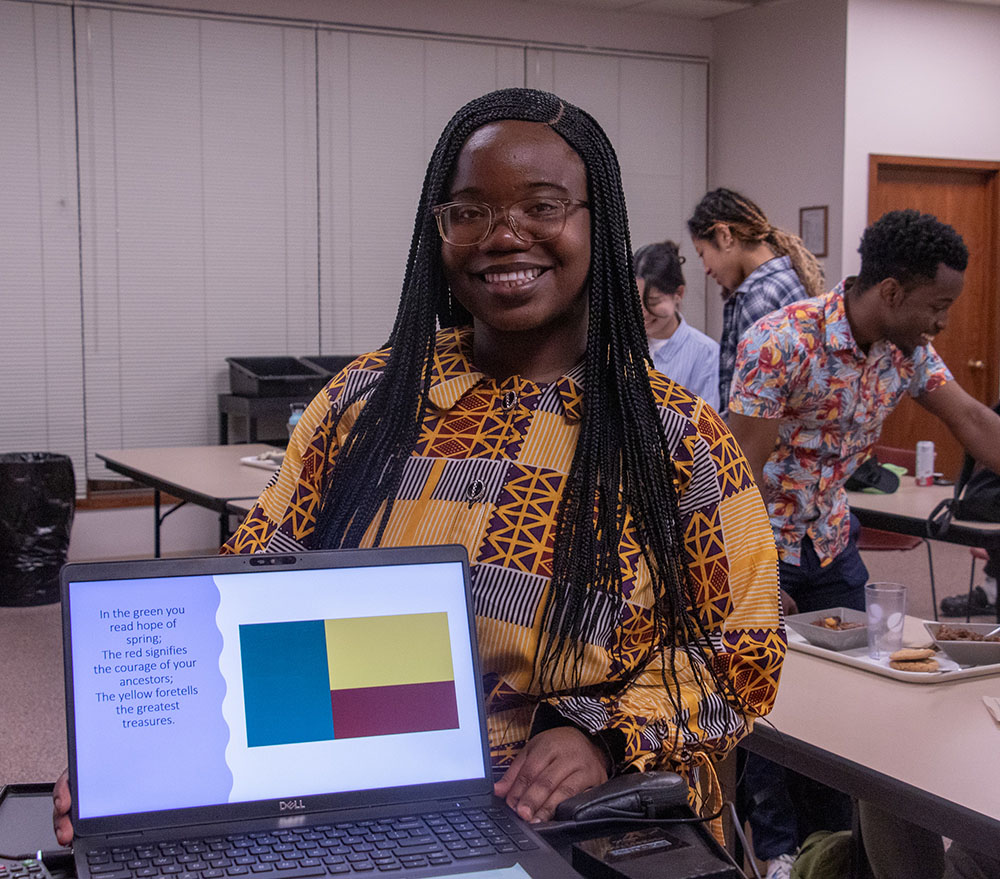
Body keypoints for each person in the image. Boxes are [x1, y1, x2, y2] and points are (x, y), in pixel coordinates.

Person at [52, 88, 782, 845]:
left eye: (543, 206)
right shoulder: (366, 401)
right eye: (469, 212)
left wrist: (596, 734)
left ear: (602, 228)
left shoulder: (673, 437)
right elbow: (255, 586)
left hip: (579, 826)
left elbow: (741, 652)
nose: (503, 236)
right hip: (360, 806)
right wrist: (139, 754)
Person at [727, 209, 1000, 879]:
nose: (941, 323)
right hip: (767, 550)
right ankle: (780, 854)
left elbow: (969, 417)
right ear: (891, 292)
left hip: (831, 543)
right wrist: (756, 577)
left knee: (864, 706)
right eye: (936, 306)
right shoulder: (782, 342)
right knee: (770, 712)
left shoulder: (907, 355)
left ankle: (839, 852)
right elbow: (739, 474)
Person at [687, 188, 824, 414]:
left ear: (724, 236)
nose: (706, 269)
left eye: (702, 253)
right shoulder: (785, 281)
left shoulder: (760, 298)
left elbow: (751, 407)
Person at [634, 239, 721, 411]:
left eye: (653, 301)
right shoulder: (623, 344)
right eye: (635, 302)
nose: (642, 312)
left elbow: (707, 429)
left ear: (678, 293)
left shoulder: (705, 353)